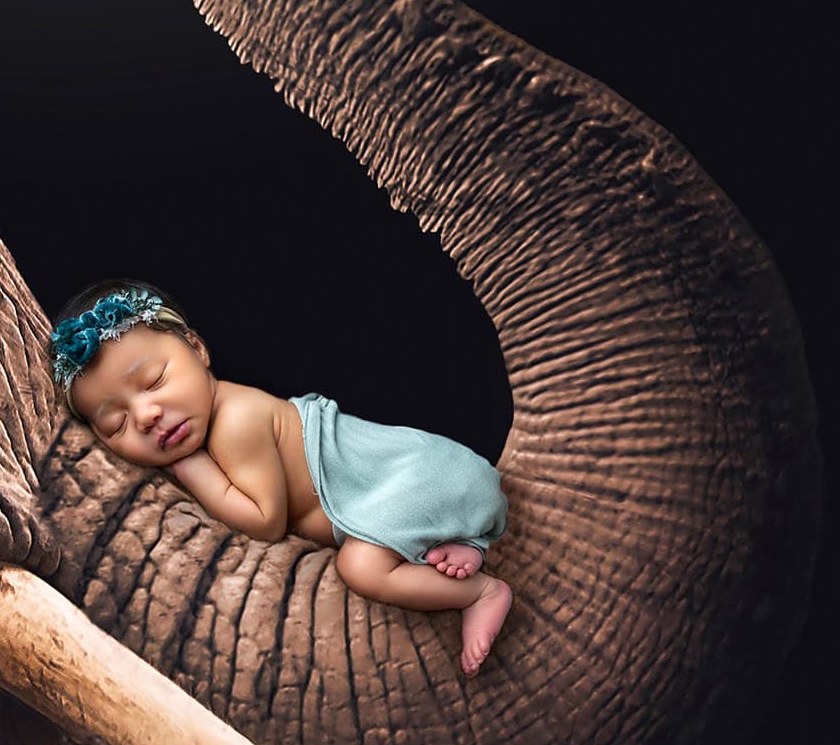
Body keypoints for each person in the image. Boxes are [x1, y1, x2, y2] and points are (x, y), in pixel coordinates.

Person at [50, 280, 512, 676]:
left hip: (420, 475)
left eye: (153, 382)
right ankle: (459, 541)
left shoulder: (238, 421)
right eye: (116, 424)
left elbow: (266, 520)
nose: (147, 415)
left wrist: (193, 469)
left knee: (360, 567)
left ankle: (480, 592)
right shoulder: (214, 418)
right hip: (429, 480)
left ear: (197, 348)